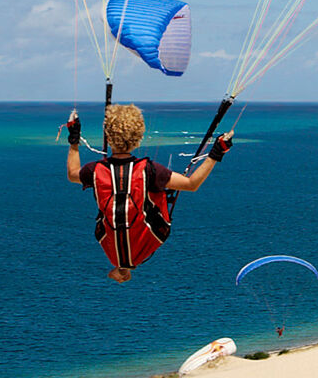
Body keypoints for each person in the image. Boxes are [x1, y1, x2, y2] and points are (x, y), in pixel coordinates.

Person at [66, 103, 232, 284]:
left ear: (108, 135)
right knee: (151, 199)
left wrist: (74, 139)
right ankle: (124, 266)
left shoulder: (95, 170)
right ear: (139, 136)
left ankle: (123, 266)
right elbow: (191, 184)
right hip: (148, 238)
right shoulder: (149, 170)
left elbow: (73, 173)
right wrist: (217, 152)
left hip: (110, 243)